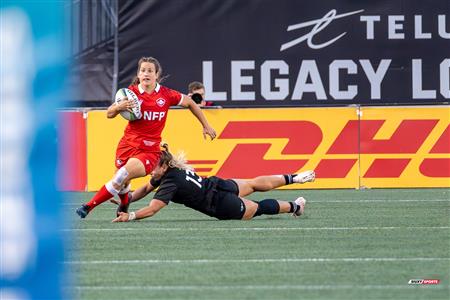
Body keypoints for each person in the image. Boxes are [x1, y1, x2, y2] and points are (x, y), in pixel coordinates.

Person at [76, 57, 216, 219]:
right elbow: (109, 114)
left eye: (150, 71)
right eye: (143, 70)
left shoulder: (166, 94)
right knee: (124, 183)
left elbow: (191, 102)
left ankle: (88, 206)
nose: (146, 73)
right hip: (127, 144)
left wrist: (205, 125)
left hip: (149, 150)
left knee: (121, 176)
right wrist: (118, 107)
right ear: (138, 74)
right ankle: (124, 203)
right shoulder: (131, 93)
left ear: (157, 75)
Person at [112, 143, 316, 223]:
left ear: (164, 166)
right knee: (253, 183)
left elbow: (153, 209)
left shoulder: (169, 182)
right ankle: (294, 178)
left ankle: (296, 207)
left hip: (217, 203)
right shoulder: (172, 169)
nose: (148, 168)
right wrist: (127, 198)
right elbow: (146, 189)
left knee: (259, 208)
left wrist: (130, 216)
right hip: (217, 185)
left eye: (152, 165)